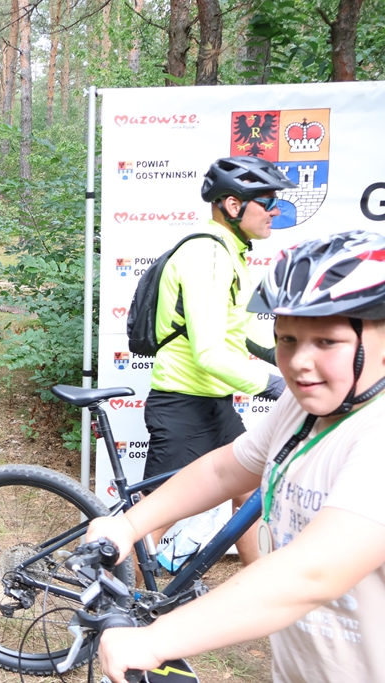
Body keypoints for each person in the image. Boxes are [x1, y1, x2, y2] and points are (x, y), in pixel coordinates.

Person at [87, 230, 385, 683]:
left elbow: (312, 573)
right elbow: (225, 469)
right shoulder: (303, 408)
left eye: (327, 342)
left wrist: (156, 639)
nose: (299, 362)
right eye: (287, 339)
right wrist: (130, 525)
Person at [140, 156, 295, 564]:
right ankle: (115, 598)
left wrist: (295, 362)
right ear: (232, 205)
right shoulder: (206, 256)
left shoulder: (230, 253)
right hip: (182, 404)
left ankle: (262, 587)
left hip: (214, 404)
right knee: (150, 521)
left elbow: (247, 333)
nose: (276, 211)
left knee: (248, 493)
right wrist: (274, 386)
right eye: (268, 201)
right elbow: (208, 353)